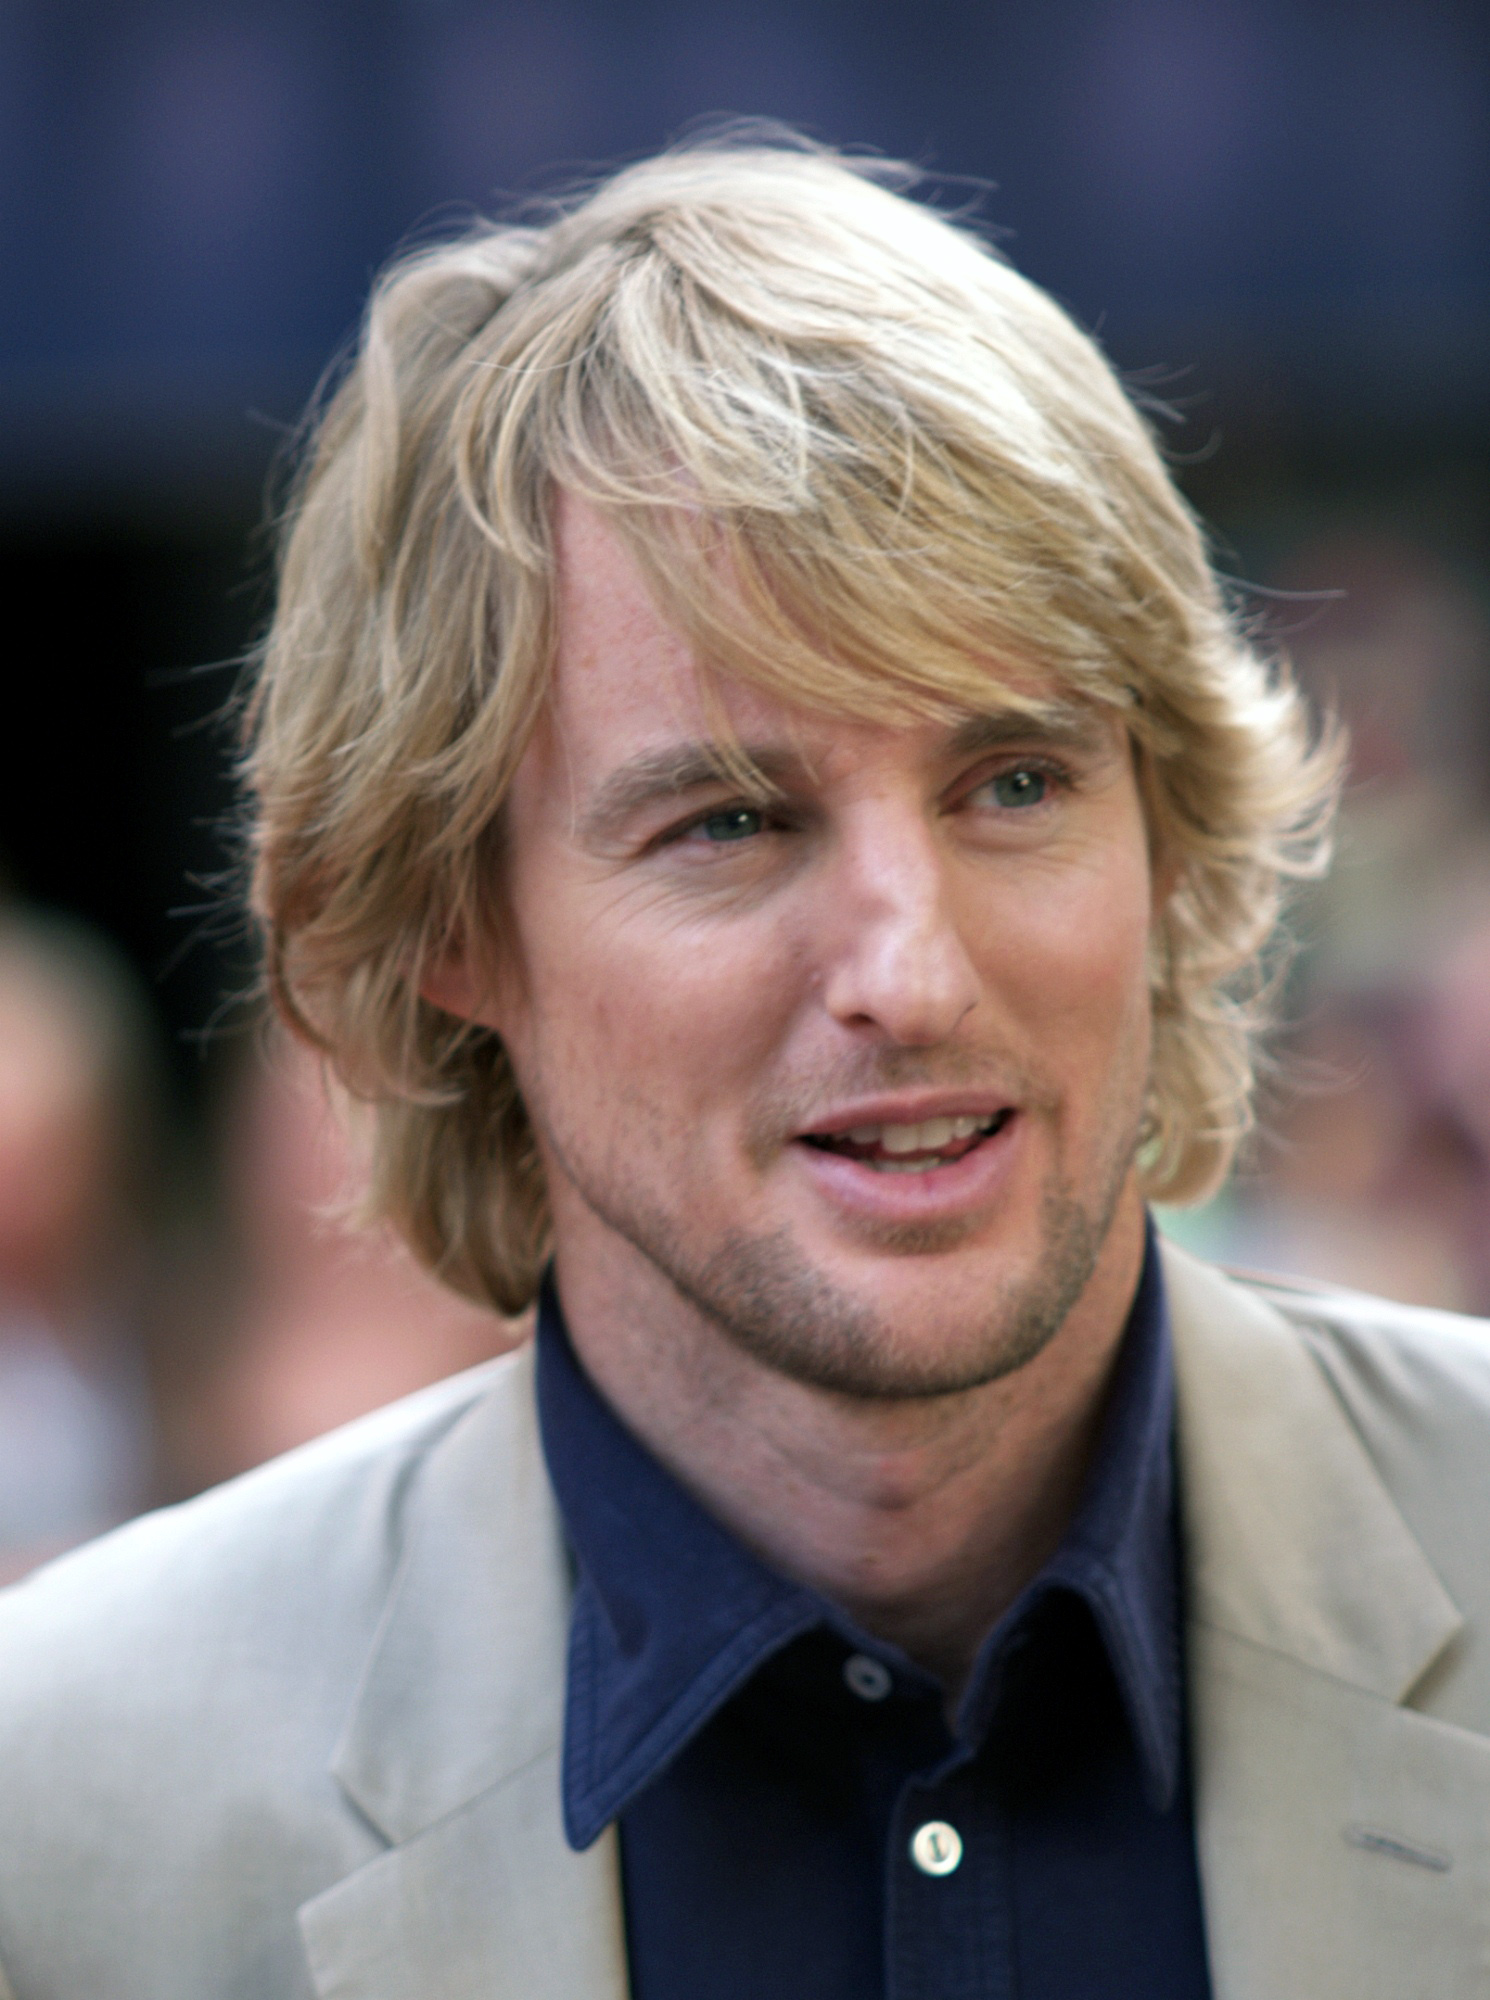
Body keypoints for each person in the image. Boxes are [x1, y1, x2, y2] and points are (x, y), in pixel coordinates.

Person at [0, 133, 1485, 2000]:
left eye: (1012, 783)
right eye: (729, 822)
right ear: (452, 928)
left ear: (1166, 837)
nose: (911, 971)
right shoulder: (67, 1815)